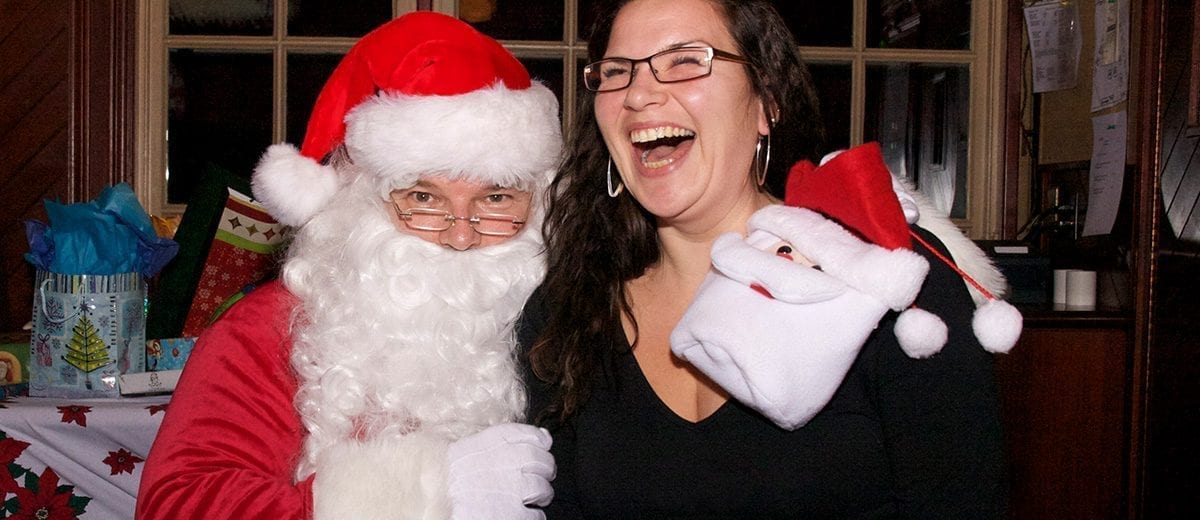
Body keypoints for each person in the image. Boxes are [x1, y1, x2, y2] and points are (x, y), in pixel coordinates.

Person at [520, 0, 1008, 517]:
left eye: (686, 60)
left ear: (766, 102)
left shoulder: (896, 296)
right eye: (617, 72)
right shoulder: (564, 314)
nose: (638, 94)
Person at [137, 12, 562, 519]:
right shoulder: (268, 332)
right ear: (360, 203)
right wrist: (414, 493)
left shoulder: (571, 324)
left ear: (538, 205)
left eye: (496, 197)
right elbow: (178, 504)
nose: (461, 233)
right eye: (423, 196)